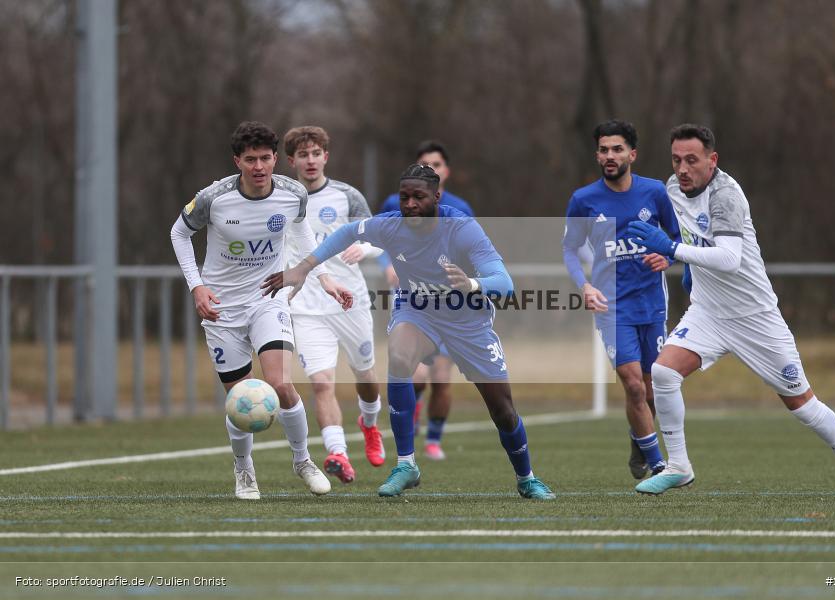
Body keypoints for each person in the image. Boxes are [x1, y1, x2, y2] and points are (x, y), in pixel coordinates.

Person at [263, 164, 556, 500]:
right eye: (404, 197)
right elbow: (347, 233)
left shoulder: (461, 228)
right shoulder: (390, 226)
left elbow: (504, 283)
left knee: (502, 410)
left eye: (419, 197)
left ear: (437, 196)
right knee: (399, 357)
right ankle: (406, 464)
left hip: (467, 321)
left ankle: (527, 478)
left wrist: (472, 283)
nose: (411, 204)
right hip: (418, 312)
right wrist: (303, 268)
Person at [626, 124, 835, 506]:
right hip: (708, 312)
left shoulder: (726, 195)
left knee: (803, 406)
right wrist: (677, 255)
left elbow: (728, 258)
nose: (682, 169)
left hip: (755, 318)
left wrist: (674, 250)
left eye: (692, 160)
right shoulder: (673, 189)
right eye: (676, 160)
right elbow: (689, 237)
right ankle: (678, 466)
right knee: (662, 372)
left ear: (713, 160)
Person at [170, 121, 353, 500]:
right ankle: (244, 471)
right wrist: (197, 286)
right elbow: (179, 233)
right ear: (237, 161)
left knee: (282, 383)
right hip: (221, 310)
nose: (259, 167)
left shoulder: (292, 194)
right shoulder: (213, 198)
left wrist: (323, 278)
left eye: (266, 159)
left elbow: (302, 234)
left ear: (275, 160)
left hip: (267, 300)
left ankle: (303, 461)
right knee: (240, 400)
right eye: (250, 159)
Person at [562, 120, 679, 481]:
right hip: (612, 306)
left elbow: (676, 237)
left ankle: (638, 440)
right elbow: (568, 249)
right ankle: (658, 463)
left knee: (652, 388)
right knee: (632, 384)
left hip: (651, 303)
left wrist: (669, 257)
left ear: (632, 153)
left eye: (616, 149)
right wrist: (583, 285)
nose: (609, 156)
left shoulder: (655, 192)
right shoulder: (584, 199)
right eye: (603, 150)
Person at [283, 125, 386, 484]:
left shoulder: (347, 196)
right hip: (307, 305)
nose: (310, 161)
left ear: (325, 156)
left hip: (349, 300)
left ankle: (369, 424)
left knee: (365, 375)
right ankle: (338, 453)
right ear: (292, 160)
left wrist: (366, 248)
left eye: (316, 154)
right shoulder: (283, 198)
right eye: (302, 155)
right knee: (322, 383)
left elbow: (377, 237)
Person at [378, 141, 474, 461]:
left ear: (447, 171)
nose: (432, 168)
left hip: (447, 303)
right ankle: (411, 418)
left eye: (437, 163)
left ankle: (434, 440)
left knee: (442, 379)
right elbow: (380, 240)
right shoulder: (396, 202)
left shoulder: (460, 208)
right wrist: (387, 265)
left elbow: (470, 249)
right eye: (424, 162)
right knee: (414, 374)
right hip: (411, 299)